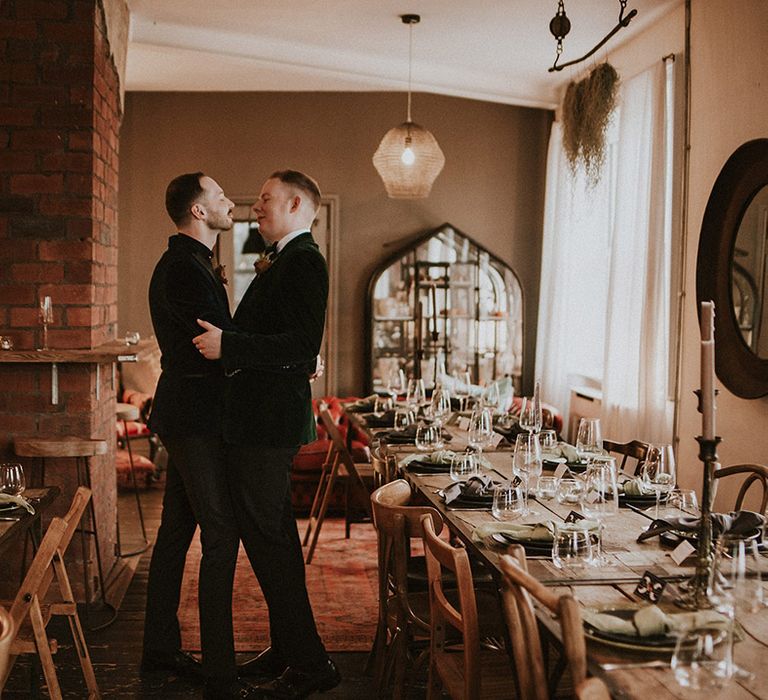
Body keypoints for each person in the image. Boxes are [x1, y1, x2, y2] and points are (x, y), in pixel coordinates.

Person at [193, 170, 340, 699]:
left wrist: (229, 346)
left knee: (270, 541)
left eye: (266, 198)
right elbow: (294, 343)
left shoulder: (304, 261)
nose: (256, 206)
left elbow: (299, 347)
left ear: (298, 203)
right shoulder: (285, 259)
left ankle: (311, 664)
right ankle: (288, 650)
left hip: (266, 425)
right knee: (271, 537)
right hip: (259, 419)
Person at [142, 172, 260, 700]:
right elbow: (221, 342)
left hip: (186, 413)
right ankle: (218, 669)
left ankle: (160, 648)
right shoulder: (185, 269)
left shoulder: (189, 264)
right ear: (197, 211)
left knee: (175, 531)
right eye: (218, 196)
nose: (229, 201)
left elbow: (225, 340)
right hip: (195, 417)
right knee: (220, 531)